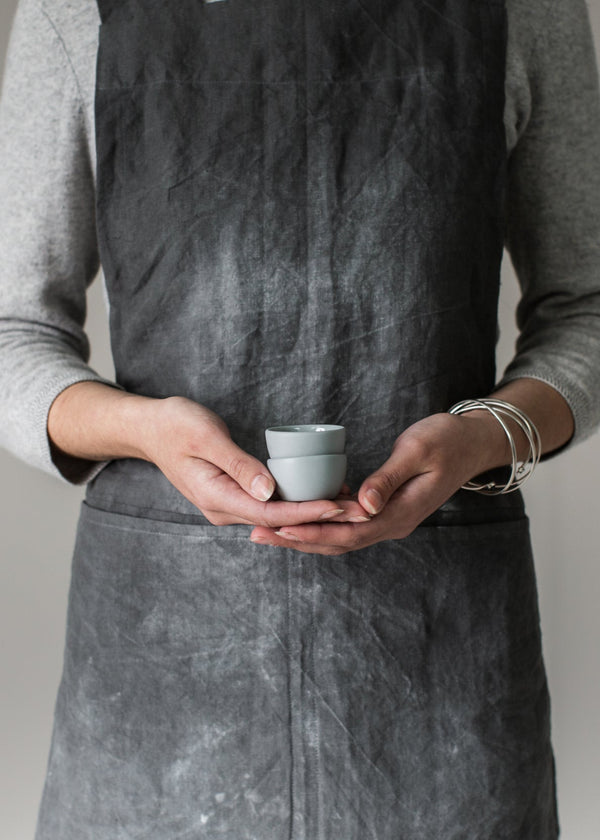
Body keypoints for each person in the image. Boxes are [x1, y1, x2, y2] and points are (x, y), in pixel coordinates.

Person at [1, 0, 599, 837]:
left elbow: (587, 307)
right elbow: (13, 331)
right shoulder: (74, 10)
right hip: (161, 670)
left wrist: (487, 437)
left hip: (439, 661)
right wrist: (145, 432)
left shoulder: (526, 10)